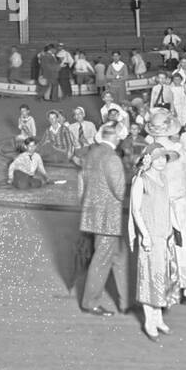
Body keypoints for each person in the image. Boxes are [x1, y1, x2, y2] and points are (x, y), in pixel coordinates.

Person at [144, 108, 186, 308]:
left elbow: (143, 184)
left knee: (161, 247)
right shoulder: (179, 150)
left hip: (161, 207)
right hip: (179, 205)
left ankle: (164, 291)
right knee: (184, 244)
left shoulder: (150, 152)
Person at [129, 143, 183, 340]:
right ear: (149, 158)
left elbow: (167, 204)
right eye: (158, 157)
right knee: (149, 279)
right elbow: (135, 210)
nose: (161, 161)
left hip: (165, 235)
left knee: (162, 278)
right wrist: (145, 236)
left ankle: (158, 317)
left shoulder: (163, 178)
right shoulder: (140, 180)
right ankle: (148, 321)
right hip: (151, 238)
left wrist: (175, 229)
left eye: (164, 158)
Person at [78, 123, 132, 317]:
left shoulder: (93, 153)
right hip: (108, 218)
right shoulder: (112, 159)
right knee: (102, 259)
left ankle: (126, 302)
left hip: (93, 213)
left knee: (120, 256)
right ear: (116, 138)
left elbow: (83, 180)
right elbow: (119, 191)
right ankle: (90, 302)